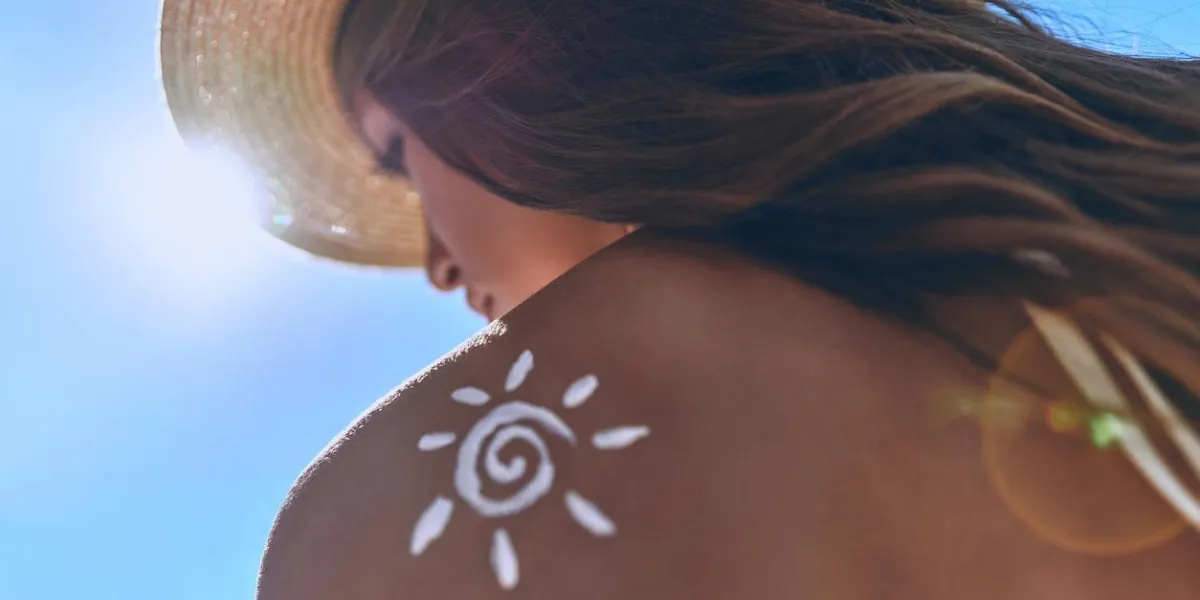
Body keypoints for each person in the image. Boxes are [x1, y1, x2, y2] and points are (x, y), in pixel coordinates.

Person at [160, 0, 1200, 598]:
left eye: (398, 155)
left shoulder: (383, 527)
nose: (433, 261)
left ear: (501, 49)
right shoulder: (1150, 175)